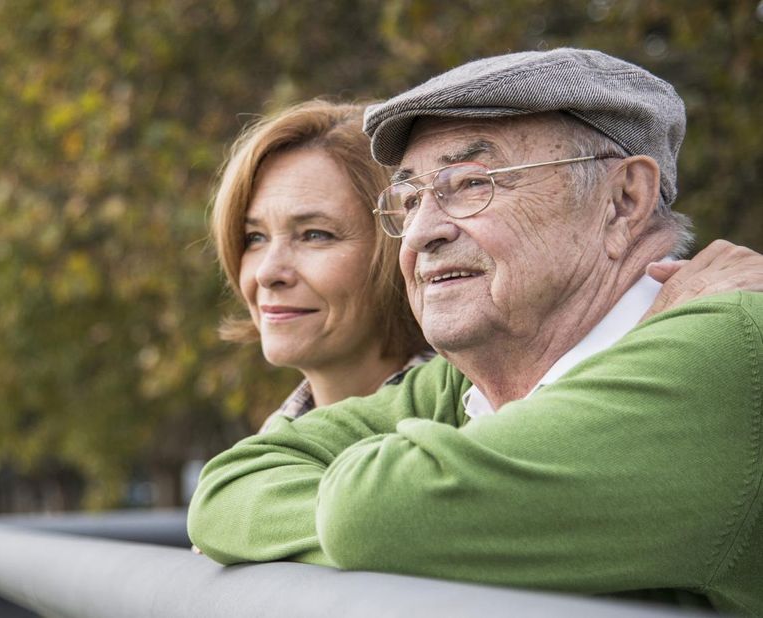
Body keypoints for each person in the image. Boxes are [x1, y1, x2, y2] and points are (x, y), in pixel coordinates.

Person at [188, 48, 763, 615]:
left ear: (623, 199)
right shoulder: (463, 381)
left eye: (471, 184)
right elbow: (228, 489)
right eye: (410, 199)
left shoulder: (724, 350)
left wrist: (378, 524)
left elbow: (378, 516)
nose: (418, 236)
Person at [209, 100, 432, 433]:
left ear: (400, 243)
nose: (267, 273)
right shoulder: (265, 457)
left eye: (315, 235)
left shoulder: (478, 425)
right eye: (255, 237)